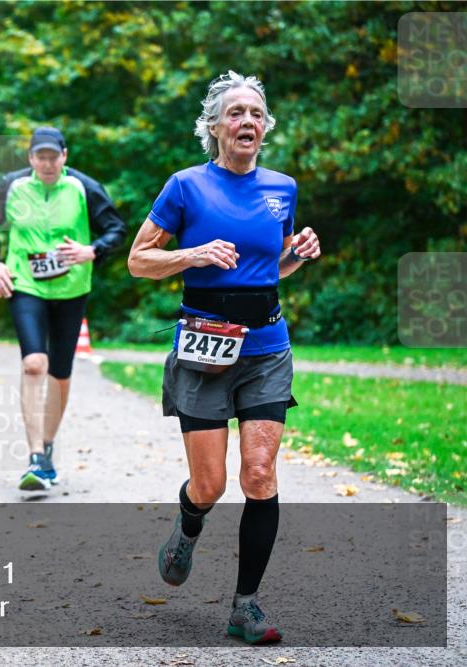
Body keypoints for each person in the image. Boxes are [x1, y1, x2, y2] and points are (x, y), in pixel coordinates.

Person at [127, 71, 321, 645]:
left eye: (257, 114)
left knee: (259, 474)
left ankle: (245, 606)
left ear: (265, 128)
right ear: (214, 127)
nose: (247, 122)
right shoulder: (186, 186)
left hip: (265, 347)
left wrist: (299, 256)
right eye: (236, 113)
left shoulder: (281, 188)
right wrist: (192, 253)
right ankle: (188, 528)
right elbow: (139, 260)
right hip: (204, 347)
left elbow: (271, 266)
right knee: (208, 486)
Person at [0, 126, 126, 492]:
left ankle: (46, 447)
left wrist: (92, 250)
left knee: (60, 370)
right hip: (25, 283)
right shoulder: (12, 186)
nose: (46, 163)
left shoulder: (83, 187)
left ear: (64, 156)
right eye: (39, 156)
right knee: (33, 364)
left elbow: (116, 229)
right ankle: (35, 456)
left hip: (72, 287)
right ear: (30, 159)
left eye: (52, 156)